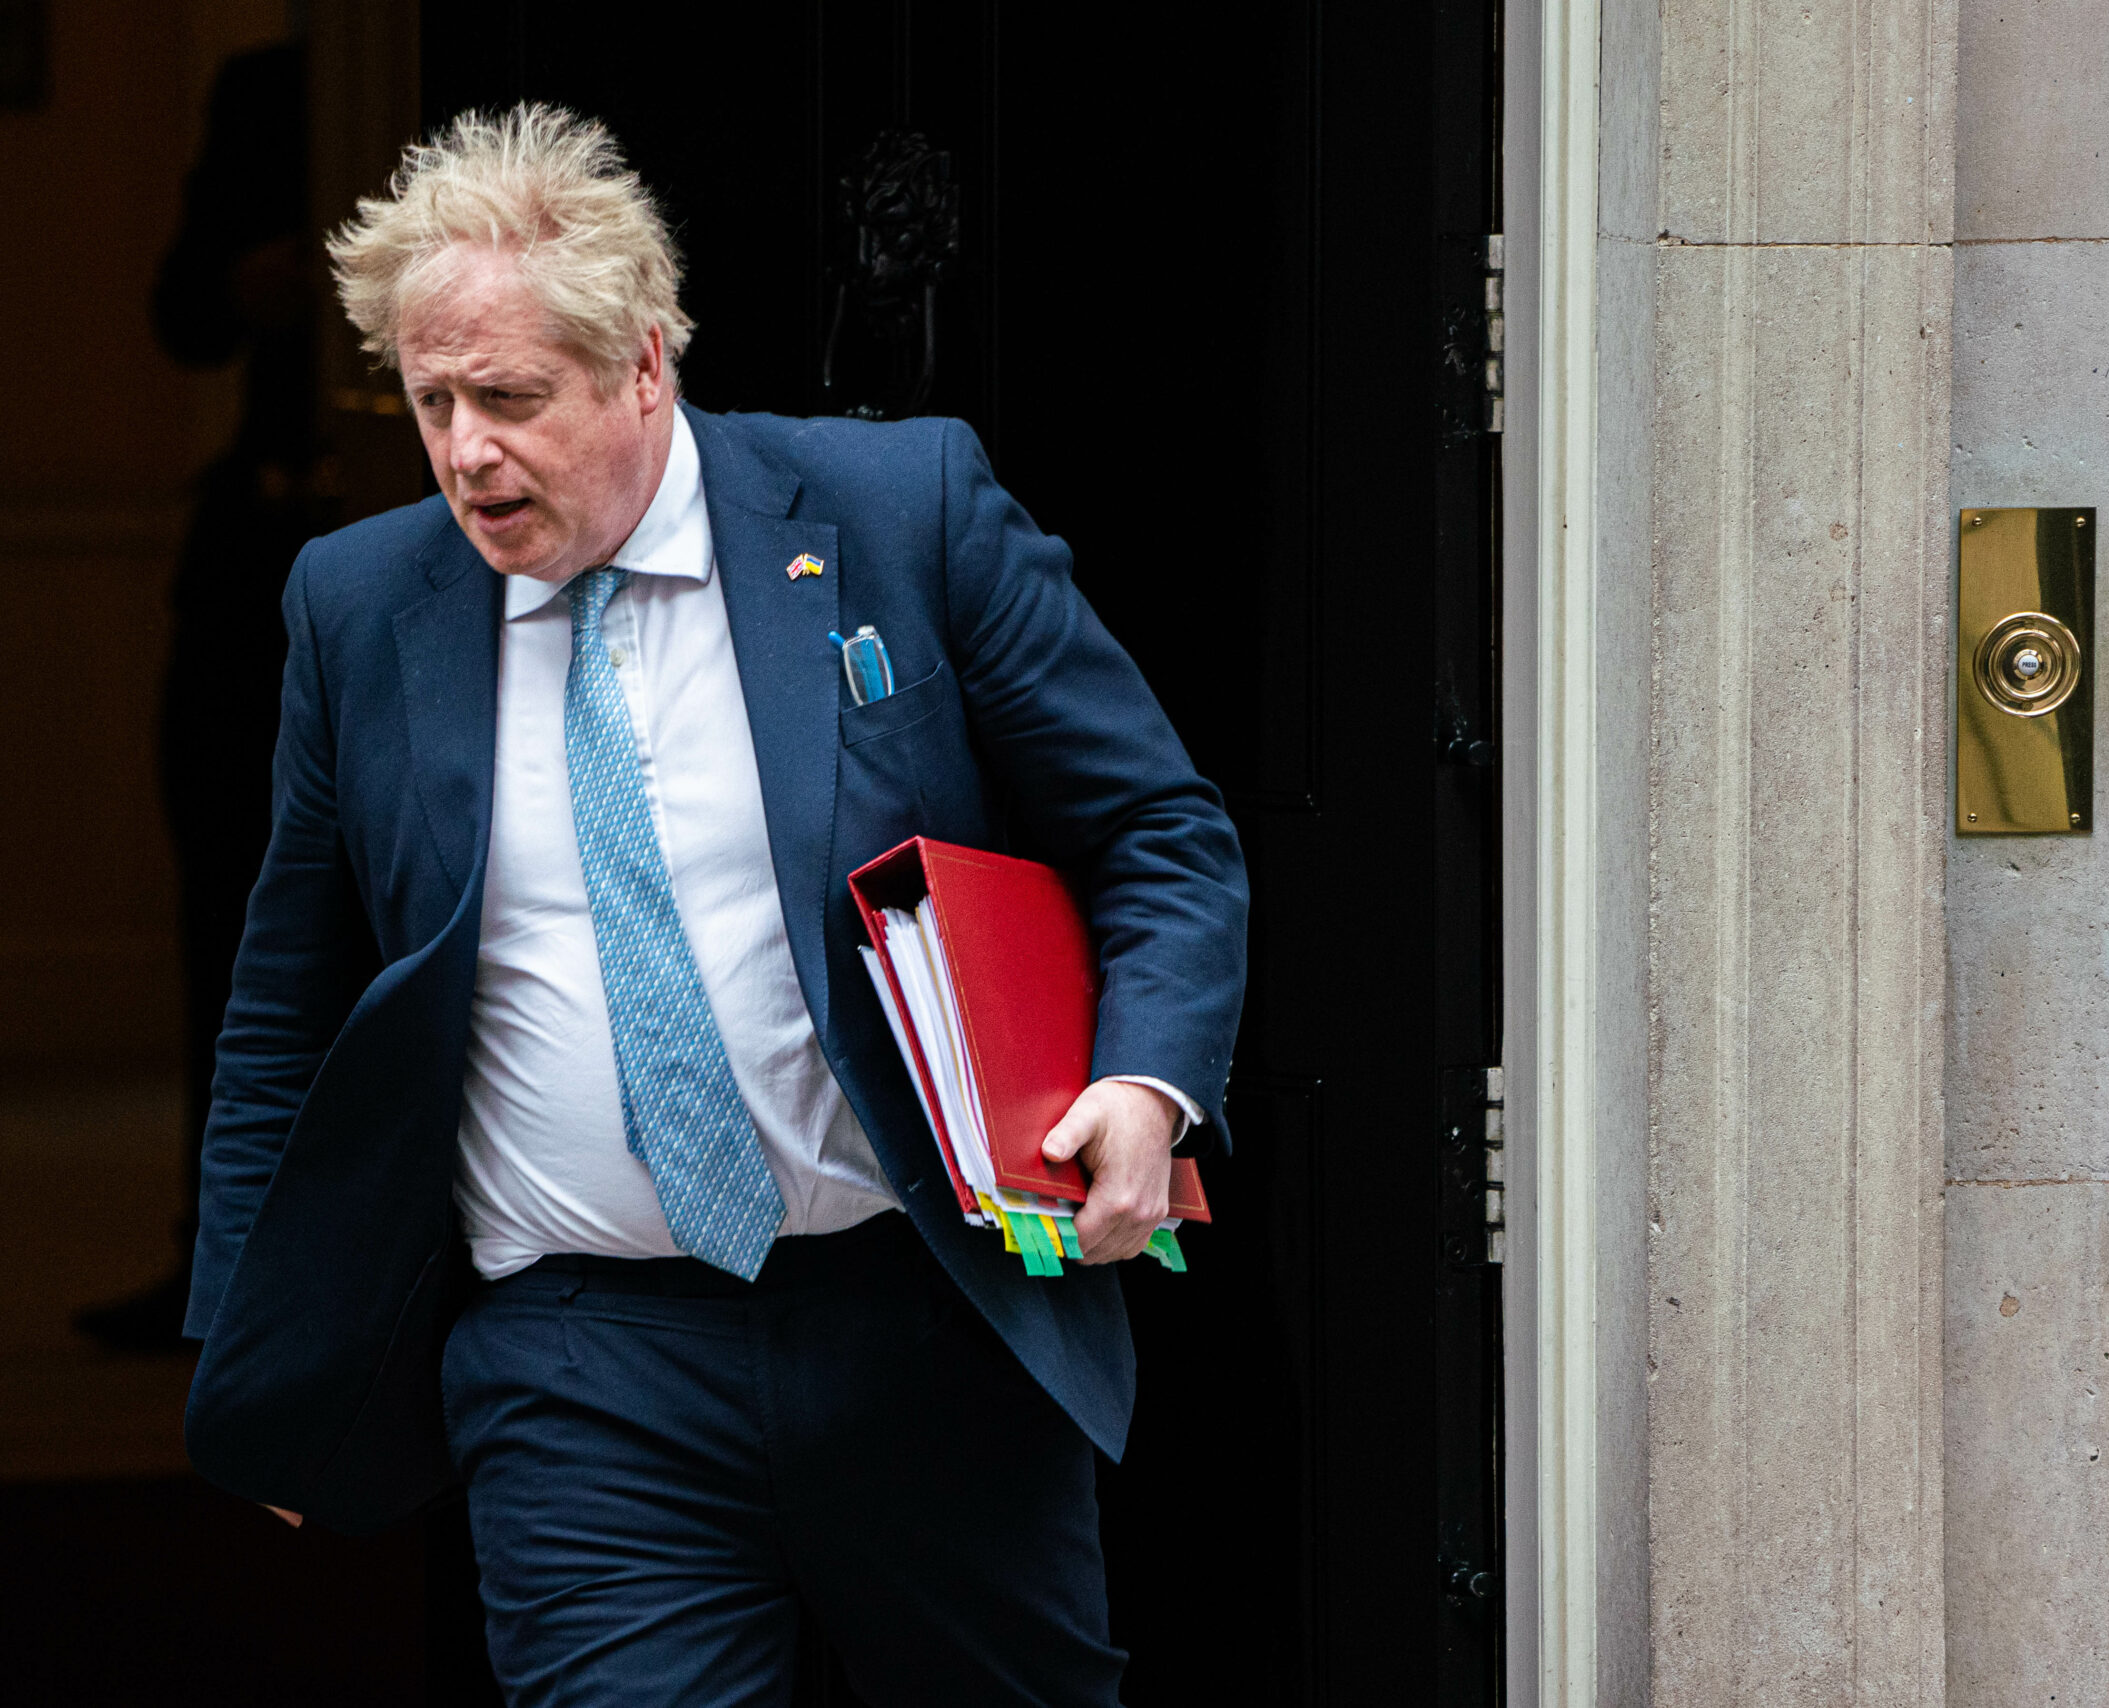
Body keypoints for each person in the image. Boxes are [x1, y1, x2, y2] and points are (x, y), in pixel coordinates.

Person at [181, 104, 1249, 1708]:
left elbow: (1159, 829)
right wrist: (261, 1358)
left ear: (645, 367)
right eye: (431, 403)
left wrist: (1148, 1084)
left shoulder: (900, 514)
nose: (468, 450)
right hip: (579, 1360)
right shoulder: (360, 607)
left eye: (512, 398)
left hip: (922, 1325)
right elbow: (290, 1000)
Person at [79, 37, 320, 1351]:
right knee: (228, 917)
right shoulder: (274, 89)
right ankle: (221, 1256)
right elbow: (181, 312)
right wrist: (252, 282)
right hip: (262, 547)